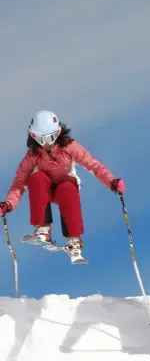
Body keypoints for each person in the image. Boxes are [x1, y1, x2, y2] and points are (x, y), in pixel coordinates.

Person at [0, 111, 125, 260]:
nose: (46, 143)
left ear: (58, 133)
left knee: (67, 188)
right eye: (40, 138)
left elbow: (93, 165)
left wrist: (111, 181)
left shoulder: (69, 146)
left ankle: (74, 240)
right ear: (33, 136)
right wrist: (8, 204)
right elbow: (19, 182)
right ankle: (42, 229)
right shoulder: (33, 155)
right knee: (37, 177)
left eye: (50, 138)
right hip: (44, 190)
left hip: (65, 187)